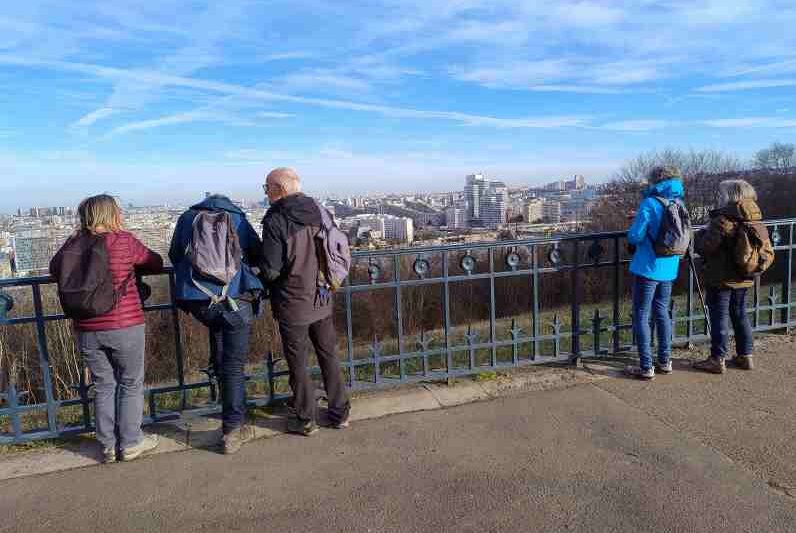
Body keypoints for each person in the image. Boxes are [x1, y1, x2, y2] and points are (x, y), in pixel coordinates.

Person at [52, 194, 163, 463]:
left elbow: (55, 269)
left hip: (86, 327)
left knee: (103, 385)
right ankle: (131, 442)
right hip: (124, 323)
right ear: (111, 214)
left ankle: (108, 446)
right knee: (130, 383)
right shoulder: (122, 241)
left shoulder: (72, 243)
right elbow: (155, 262)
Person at [169, 194, 263, 454]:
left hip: (198, 300)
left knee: (221, 348)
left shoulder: (187, 217)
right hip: (235, 300)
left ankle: (222, 400)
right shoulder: (238, 217)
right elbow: (257, 254)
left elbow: (175, 254)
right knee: (233, 365)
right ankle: (232, 429)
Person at [260, 167, 350, 435]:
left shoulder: (276, 219)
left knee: (298, 361)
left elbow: (271, 269)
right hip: (322, 293)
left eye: (267, 188)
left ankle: (305, 418)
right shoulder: (319, 209)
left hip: (292, 301)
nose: (266, 193)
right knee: (328, 354)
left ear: (280, 189)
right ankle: (339, 412)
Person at [693, 180, 765, 374]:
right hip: (745, 273)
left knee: (719, 317)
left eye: (722, 193)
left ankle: (718, 359)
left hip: (722, 277)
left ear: (731, 196)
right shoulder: (754, 218)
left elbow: (704, 247)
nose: (719, 196)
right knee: (740, 314)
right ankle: (746, 355)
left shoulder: (723, 220)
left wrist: (700, 235)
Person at [624, 166, 687, 380]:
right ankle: (665, 361)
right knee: (662, 312)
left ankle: (646, 366)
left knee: (641, 314)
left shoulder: (650, 203)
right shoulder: (678, 202)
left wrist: (633, 223)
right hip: (670, 266)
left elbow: (635, 236)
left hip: (648, 267)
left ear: (655, 181)